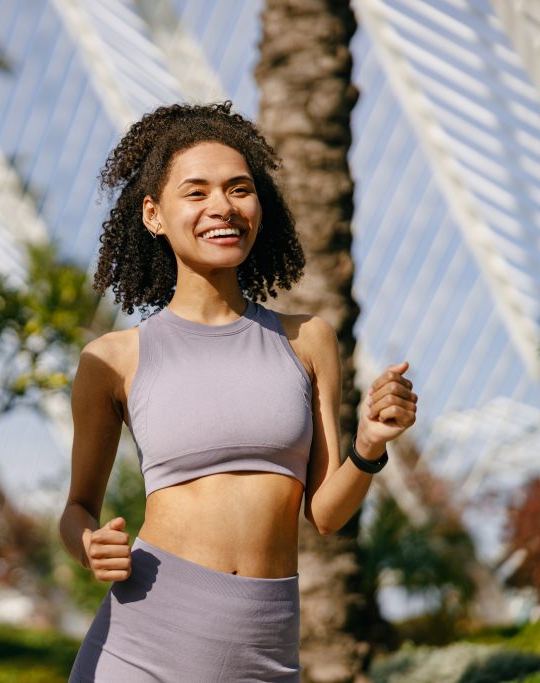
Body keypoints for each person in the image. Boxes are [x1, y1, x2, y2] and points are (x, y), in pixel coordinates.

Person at [60, 102, 417, 682]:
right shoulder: (112, 359)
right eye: (195, 193)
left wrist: (371, 442)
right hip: (144, 638)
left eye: (239, 189)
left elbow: (326, 514)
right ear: (153, 214)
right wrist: (87, 545)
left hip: (265, 645)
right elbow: (77, 508)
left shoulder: (308, 340)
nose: (222, 207)